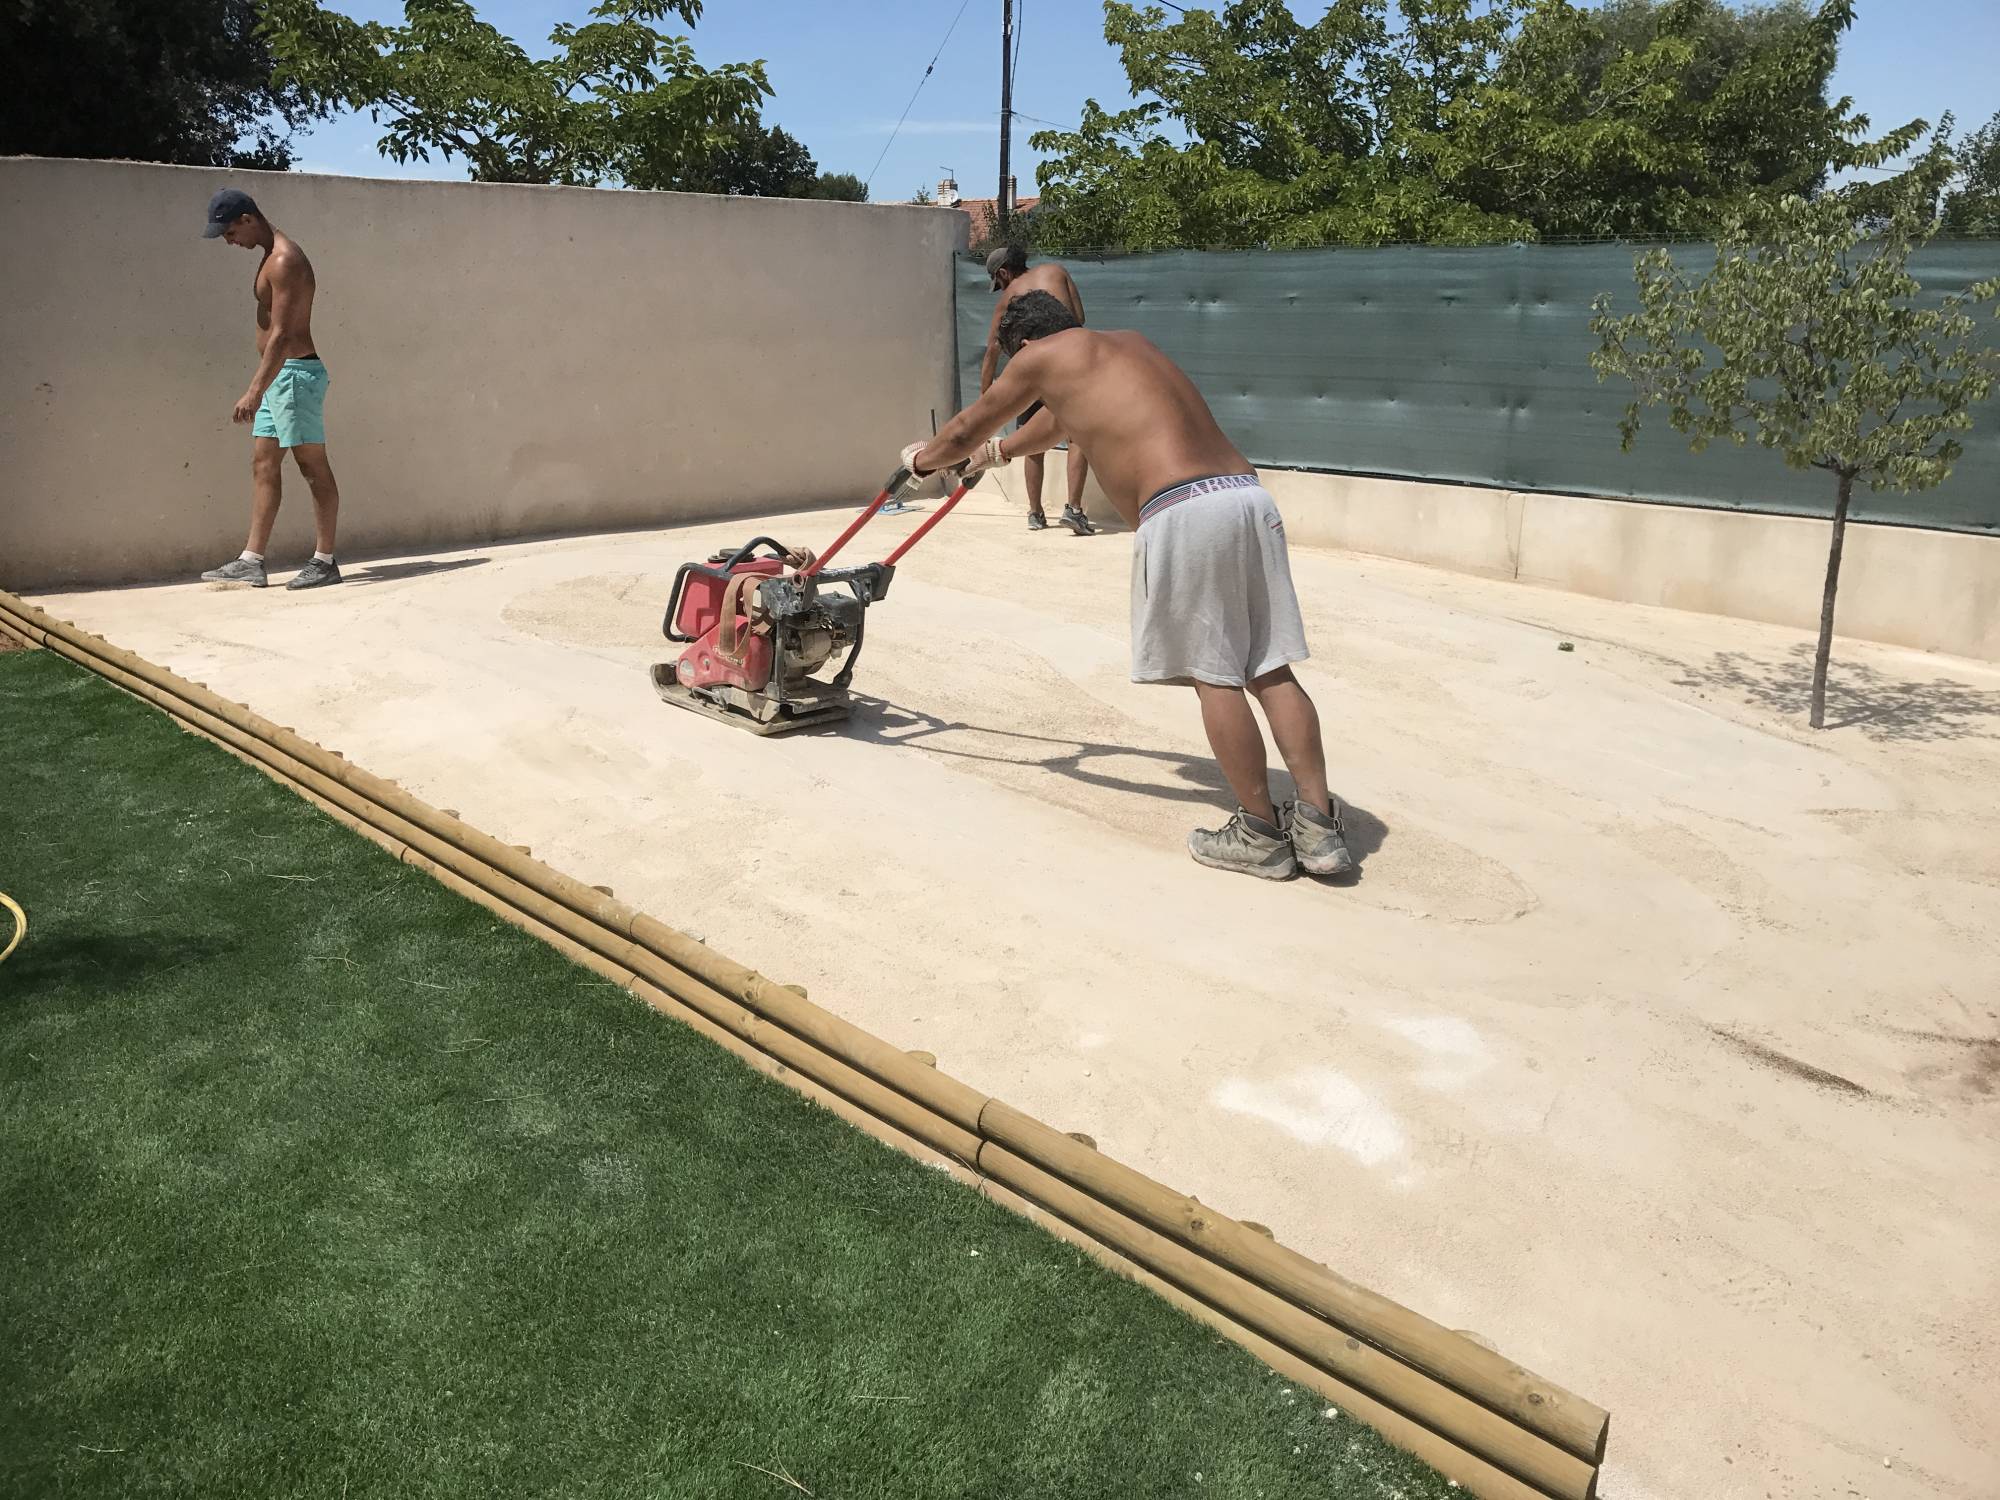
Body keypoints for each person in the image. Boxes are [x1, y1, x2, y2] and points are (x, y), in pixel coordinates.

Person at [904, 290, 1353, 882]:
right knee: (1269, 667)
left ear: (1026, 344)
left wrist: (922, 462)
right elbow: (1055, 424)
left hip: (1184, 510)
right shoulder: (1127, 348)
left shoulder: (1038, 357)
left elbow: (964, 427)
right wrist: (999, 453)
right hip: (1245, 497)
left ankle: (1259, 833)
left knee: (1215, 674)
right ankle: (1318, 828)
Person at [198, 188, 343, 590]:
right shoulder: (269, 256)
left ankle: (325, 561)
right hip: (279, 376)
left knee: (312, 467)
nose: (230, 242)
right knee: (263, 464)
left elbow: (281, 334)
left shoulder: (283, 260)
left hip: (294, 375)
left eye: (230, 233)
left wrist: (254, 390)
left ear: (247, 219)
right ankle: (252, 560)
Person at [979, 246, 1096, 536]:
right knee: (1076, 437)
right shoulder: (1057, 272)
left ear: (1003, 273)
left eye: (999, 282)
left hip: (1035, 369)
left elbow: (992, 350)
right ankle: (1074, 510)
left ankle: (1035, 512)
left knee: (1032, 440)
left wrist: (984, 402)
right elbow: (1079, 318)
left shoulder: (1009, 296)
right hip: (1070, 365)